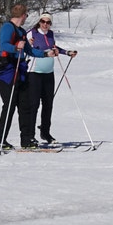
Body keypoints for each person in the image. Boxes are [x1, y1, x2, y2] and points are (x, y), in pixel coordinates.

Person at [25, 13, 78, 146]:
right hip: (34, 72)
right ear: (39, 22)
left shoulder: (50, 34)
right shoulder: (32, 33)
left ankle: (45, 132)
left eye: (48, 22)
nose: (45, 24)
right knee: (34, 104)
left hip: (48, 72)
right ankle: (30, 135)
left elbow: (54, 47)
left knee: (48, 104)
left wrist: (67, 52)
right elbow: (27, 49)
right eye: (43, 21)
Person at [0, 3, 31, 149]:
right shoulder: (8, 27)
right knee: (9, 106)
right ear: (22, 15)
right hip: (7, 71)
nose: (26, 17)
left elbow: (30, 50)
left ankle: (26, 139)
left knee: (24, 106)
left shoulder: (21, 31)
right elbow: (4, 45)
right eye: (26, 15)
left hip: (20, 70)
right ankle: (1, 139)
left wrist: (47, 54)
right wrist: (15, 47)